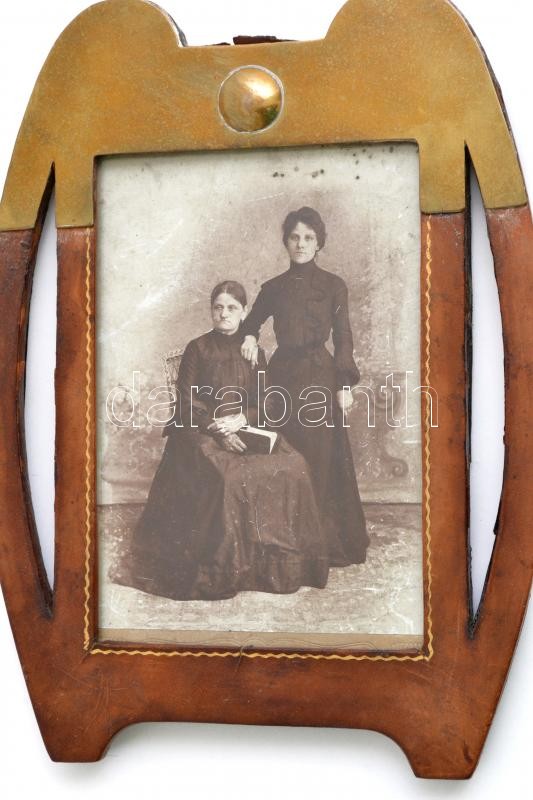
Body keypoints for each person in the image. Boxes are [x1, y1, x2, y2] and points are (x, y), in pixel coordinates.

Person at [110, 280, 331, 601]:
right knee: (228, 477)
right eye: (218, 307)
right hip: (200, 432)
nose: (224, 314)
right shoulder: (198, 349)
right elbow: (186, 403)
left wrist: (242, 420)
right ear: (211, 311)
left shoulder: (253, 351)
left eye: (231, 308)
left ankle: (275, 566)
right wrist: (218, 430)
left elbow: (267, 401)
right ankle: (229, 568)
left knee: (295, 466)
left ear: (244, 312)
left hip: (244, 428)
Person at [240, 207, 369, 565]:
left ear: (319, 243)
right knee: (284, 455)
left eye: (308, 238)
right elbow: (250, 322)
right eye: (294, 237)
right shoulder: (274, 288)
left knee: (321, 458)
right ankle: (285, 540)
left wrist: (344, 383)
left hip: (320, 379)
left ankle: (320, 544)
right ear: (286, 241)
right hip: (282, 380)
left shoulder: (333, 286)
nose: (301, 244)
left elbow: (343, 337)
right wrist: (250, 336)